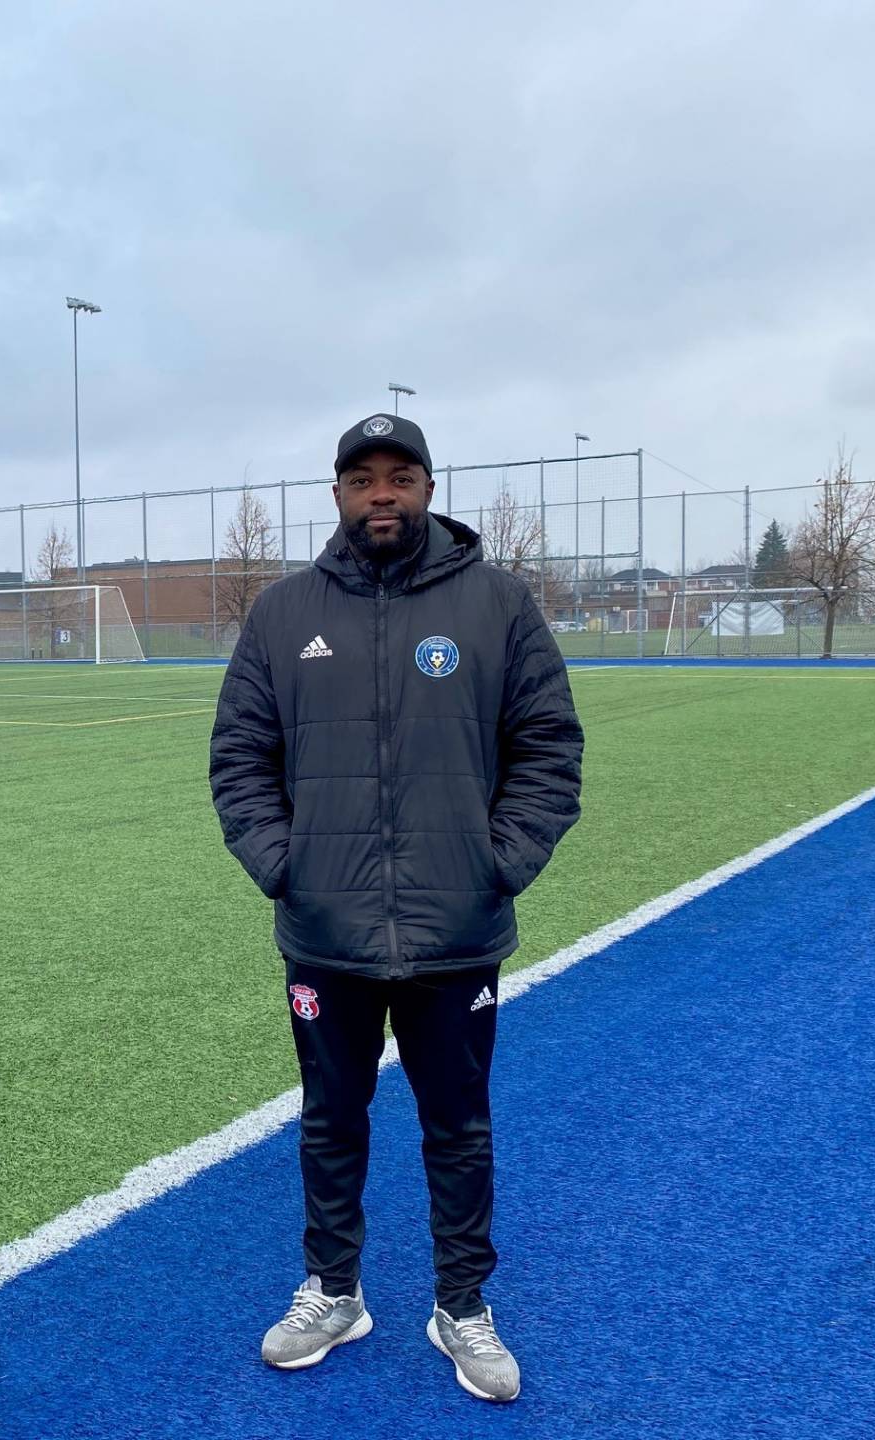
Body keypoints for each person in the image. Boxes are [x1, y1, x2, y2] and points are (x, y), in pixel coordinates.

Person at [209, 411, 583, 1402]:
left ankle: (462, 1305)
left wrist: (495, 863)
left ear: (427, 486)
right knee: (332, 1122)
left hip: (456, 932)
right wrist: (285, 868)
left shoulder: (499, 605)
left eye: (402, 475)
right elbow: (240, 759)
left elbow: (551, 749)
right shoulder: (283, 614)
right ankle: (335, 1291)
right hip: (324, 933)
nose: (383, 493)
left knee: (458, 1126)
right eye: (363, 477)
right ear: (337, 493)